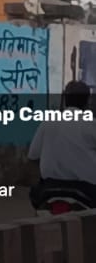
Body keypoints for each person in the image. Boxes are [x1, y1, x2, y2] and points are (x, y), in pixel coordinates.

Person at [29, 81, 96, 210]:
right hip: (87, 190)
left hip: (48, 189)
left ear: (65, 99)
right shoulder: (91, 124)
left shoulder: (48, 122)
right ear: (88, 101)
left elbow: (33, 156)